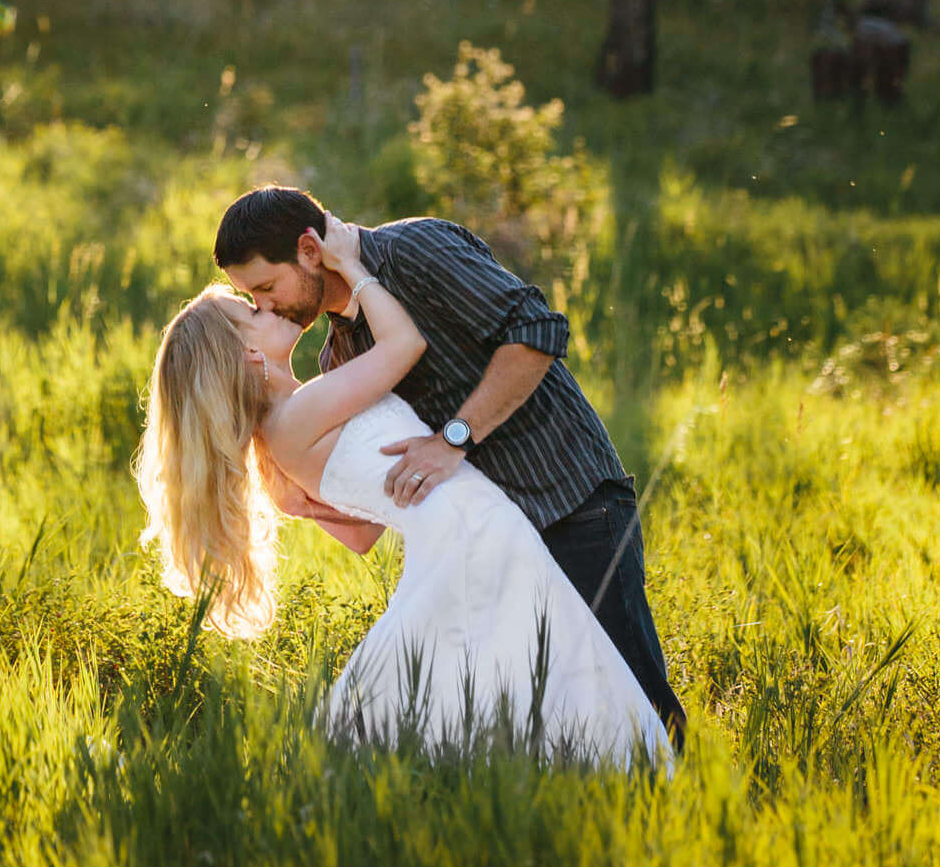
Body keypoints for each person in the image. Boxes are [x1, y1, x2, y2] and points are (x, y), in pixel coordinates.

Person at [137, 214, 671, 766]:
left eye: (264, 292)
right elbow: (403, 353)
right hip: (483, 537)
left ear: (308, 251)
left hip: (564, 500)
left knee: (596, 701)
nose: (267, 306)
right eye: (252, 305)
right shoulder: (320, 383)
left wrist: (314, 492)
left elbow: (538, 328)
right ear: (246, 355)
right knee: (577, 710)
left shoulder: (408, 259)